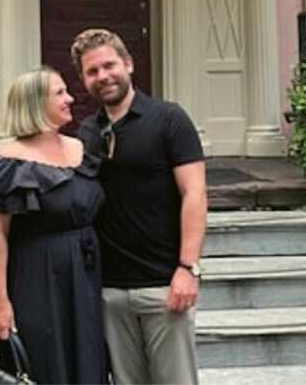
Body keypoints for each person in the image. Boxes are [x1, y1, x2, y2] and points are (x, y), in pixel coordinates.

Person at [71, 29, 208, 384]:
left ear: (128, 64)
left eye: (109, 65)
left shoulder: (169, 119)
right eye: (92, 72)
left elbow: (195, 194)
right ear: (84, 80)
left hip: (163, 285)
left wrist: (188, 269)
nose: (102, 76)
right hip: (109, 291)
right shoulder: (87, 132)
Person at [0, 67, 107, 384]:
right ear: (33, 103)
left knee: (90, 358)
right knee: (46, 362)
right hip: (38, 277)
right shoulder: (10, 161)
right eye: (59, 93)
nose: (70, 98)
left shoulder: (82, 149)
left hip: (87, 274)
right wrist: (0, 304)